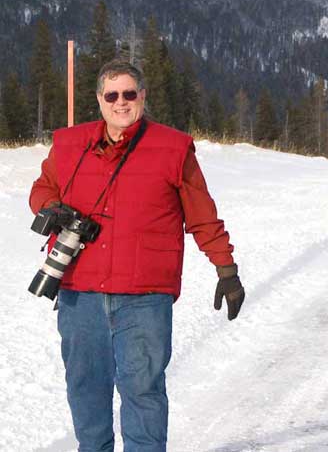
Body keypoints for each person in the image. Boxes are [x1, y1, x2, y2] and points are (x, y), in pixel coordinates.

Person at [29, 60, 245, 452]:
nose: (121, 102)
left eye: (129, 93)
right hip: (81, 292)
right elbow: (42, 188)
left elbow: (202, 215)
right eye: (112, 95)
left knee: (143, 389)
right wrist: (51, 208)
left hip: (145, 295)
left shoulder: (173, 148)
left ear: (142, 96)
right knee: (85, 387)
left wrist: (226, 269)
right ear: (99, 100)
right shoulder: (70, 145)